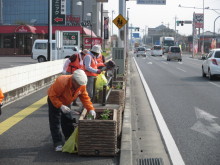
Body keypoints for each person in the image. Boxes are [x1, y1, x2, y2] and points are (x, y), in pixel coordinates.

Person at [47, 69, 96, 152]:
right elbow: (53, 96)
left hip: (66, 101)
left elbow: (85, 98)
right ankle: (57, 142)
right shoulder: (62, 81)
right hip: (54, 100)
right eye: (78, 84)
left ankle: (69, 138)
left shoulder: (81, 85)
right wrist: (60, 106)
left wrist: (91, 109)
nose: (79, 86)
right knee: (55, 121)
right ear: (73, 80)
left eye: (81, 85)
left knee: (68, 119)